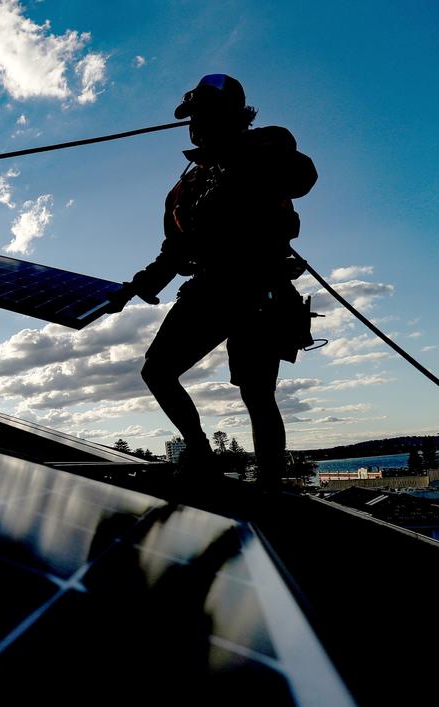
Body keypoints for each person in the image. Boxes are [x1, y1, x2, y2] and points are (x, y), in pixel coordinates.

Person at [106, 74, 317, 488]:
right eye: (193, 117)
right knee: (158, 371)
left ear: (237, 116)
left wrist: (239, 150)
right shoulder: (186, 186)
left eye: (206, 115)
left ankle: (270, 484)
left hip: (260, 287)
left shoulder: (266, 148)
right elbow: (177, 247)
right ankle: (200, 453)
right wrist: (137, 287)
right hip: (211, 286)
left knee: (257, 394)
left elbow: (301, 177)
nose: (196, 124)